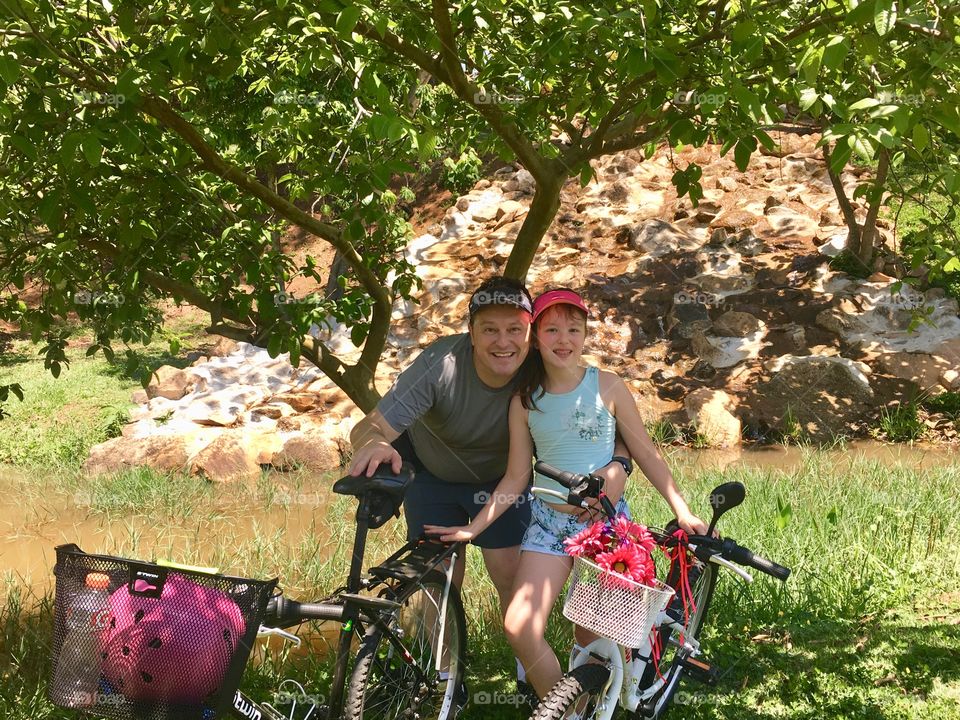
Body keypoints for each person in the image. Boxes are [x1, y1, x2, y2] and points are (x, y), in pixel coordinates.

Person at [349, 276, 631, 698]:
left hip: (503, 481)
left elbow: (603, 417)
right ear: (471, 333)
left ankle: (528, 676)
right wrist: (373, 443)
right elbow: (370, 425)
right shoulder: (441, 363)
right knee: (437, 578)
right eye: (490, 329)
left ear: (530, 334)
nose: (504, 342)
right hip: (432, 476)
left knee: (508, 572)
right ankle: (444, 678)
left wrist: (620, 464)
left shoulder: (545, 365)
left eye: (515, 329)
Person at [425, 288, 708, 700]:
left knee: (592, 641)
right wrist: (474, 528)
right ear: (535, 337)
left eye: (573, 329)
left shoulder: (607, 387)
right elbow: (515, 477)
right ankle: (564, 708)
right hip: (548, 526)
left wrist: (681, 509)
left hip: (604, 527)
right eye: (552, 329)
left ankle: (605, 696)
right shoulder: (525, 400)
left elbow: (645, 451)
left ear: (585, 334)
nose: (563, 340)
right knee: (518, 627)